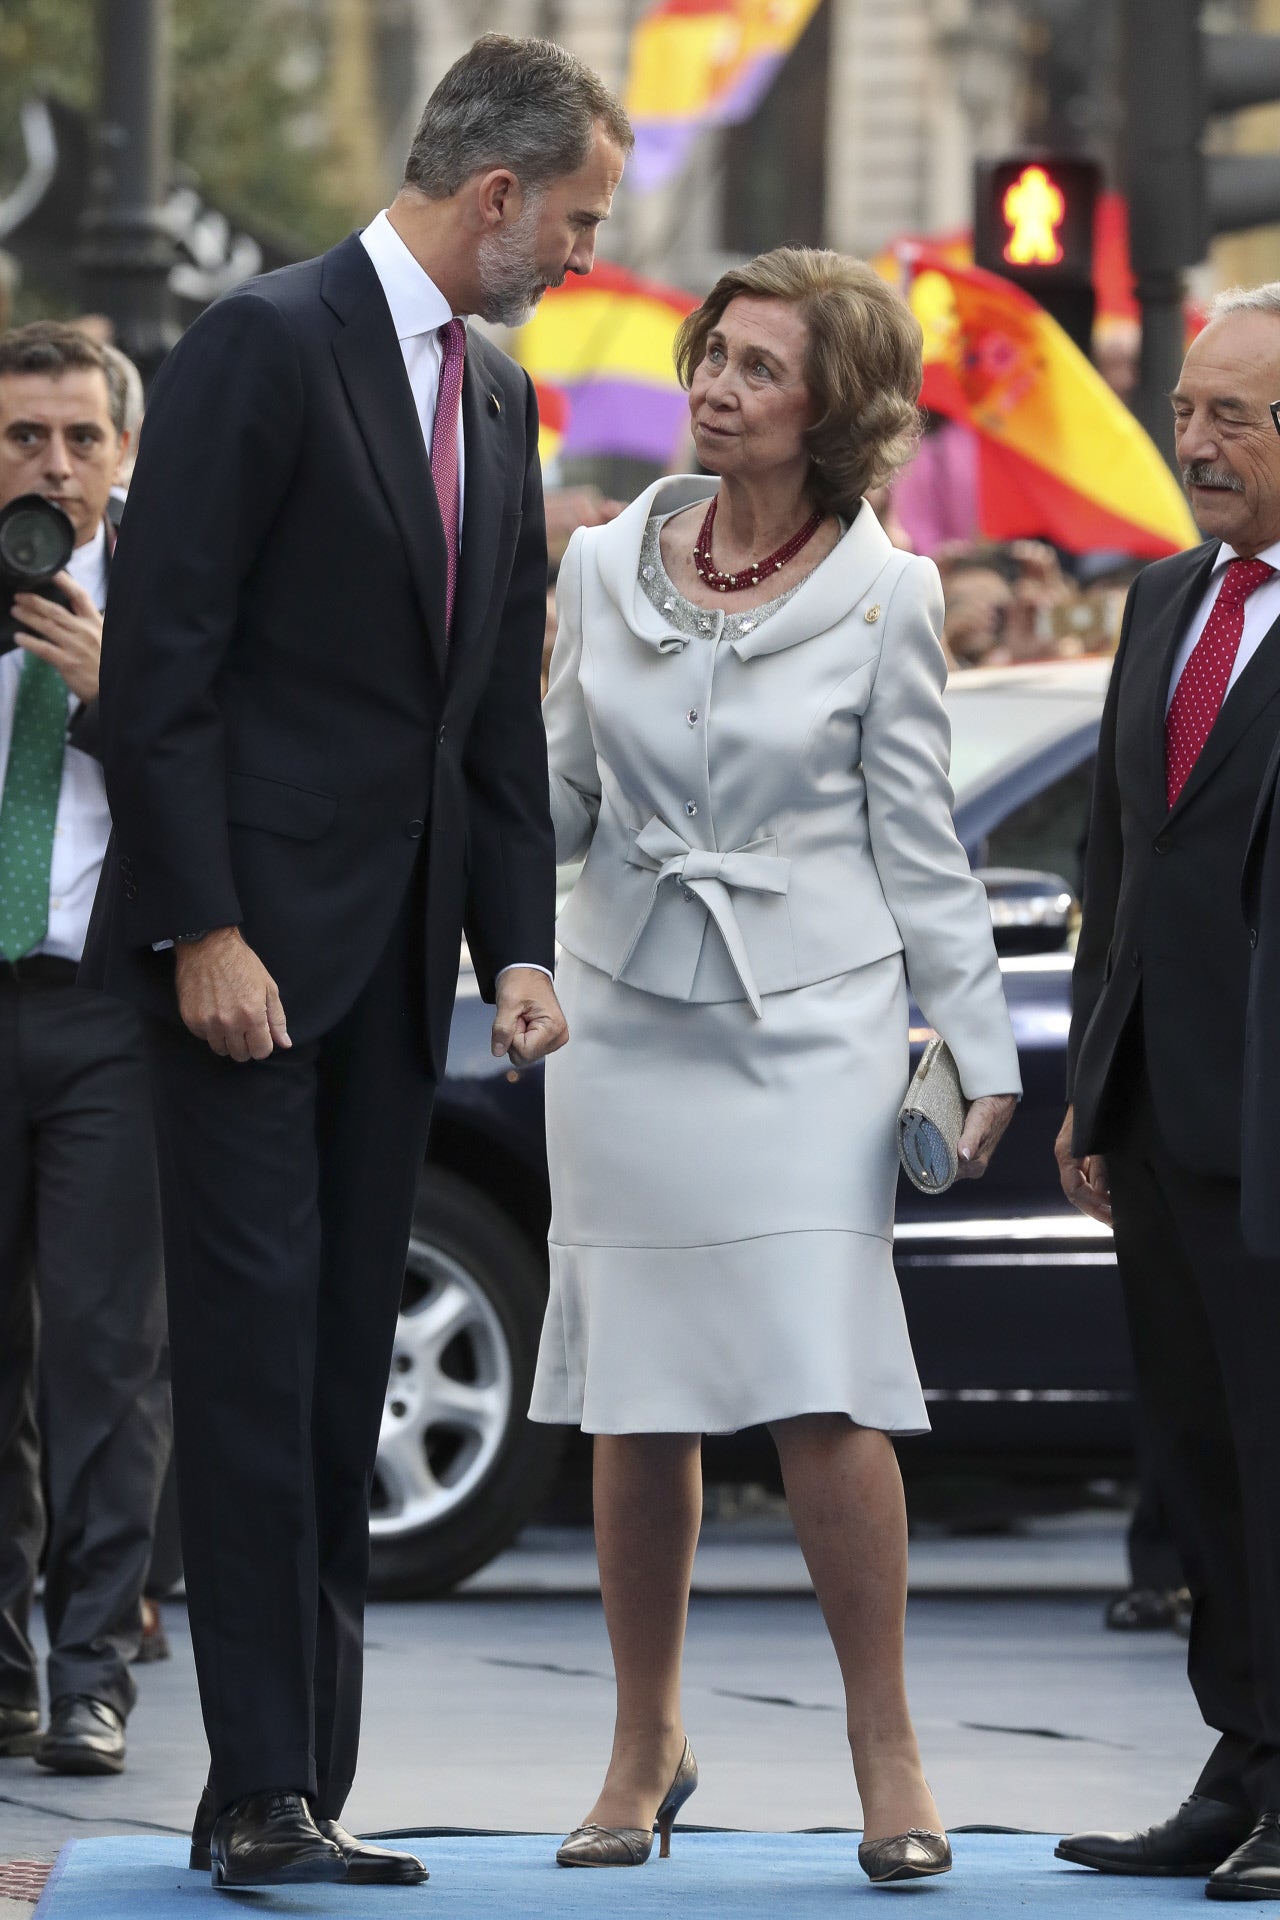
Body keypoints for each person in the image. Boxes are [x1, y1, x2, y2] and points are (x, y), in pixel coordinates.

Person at [81, 35, 630, 1890]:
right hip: (246, 974)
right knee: (243, 1373)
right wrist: (203, 924)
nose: (578, 254)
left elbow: (486, 710)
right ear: (496, 196)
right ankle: (252, 1795)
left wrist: (518, 946)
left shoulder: (496, 396)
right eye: (575, 221)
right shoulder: (259, 343)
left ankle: (306, 1783)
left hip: (392, 978)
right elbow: (161, 669)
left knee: (330, 1379)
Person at [530, 247, 1021, 1886]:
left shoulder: (891, 592)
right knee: (633, 1396)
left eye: (757, 368)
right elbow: (560, 797)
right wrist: (503, 951)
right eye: (712, 355)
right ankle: (641, 1740)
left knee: (827, 1383)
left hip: (814, 1028)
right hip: (621, 1019)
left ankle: (887, 1750)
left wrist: (984, 1045)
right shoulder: (604, 563)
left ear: (839, 412)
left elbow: (921, 845)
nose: (715, 386)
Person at [1055, 283, 1280, 1902]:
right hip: (1157, 1112)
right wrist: (1088, 1088)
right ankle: (1244, 1762)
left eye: (1233, 419)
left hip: (1274, 1121)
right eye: (1189, 410)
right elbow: (1116, 866)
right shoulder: (1162, 602)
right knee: (1199, 1464)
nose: (1195, 443)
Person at [0, 322, 169, 1776]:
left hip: (109, 1011)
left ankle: (94, 1670)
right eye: (22, 438)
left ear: (121, 456)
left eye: (78, 438)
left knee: (108, 1358)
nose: (52, 463)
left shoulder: (169, 604)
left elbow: (228, 782)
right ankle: (0, 1666)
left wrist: (125, 698)